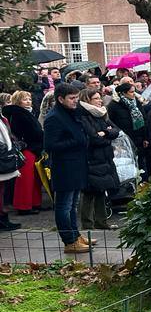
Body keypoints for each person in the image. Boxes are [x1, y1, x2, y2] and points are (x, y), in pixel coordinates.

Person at [43, 83, 91, 253]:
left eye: (77, 97)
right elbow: (50, 145)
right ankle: (69, 241)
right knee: (64, 206)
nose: (75, 101)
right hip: (64, 167)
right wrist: (76, 141)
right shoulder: (54, 117)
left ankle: (75, 234)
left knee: (73, 205)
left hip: (77, 164)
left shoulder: (72, 112)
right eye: (72, 98)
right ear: (60, 99)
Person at [77, 87, 121, 231]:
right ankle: (87, 225)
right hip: (91, 159)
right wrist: (105, 136)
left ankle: (101, 222)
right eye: (96, 98)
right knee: (89, 193)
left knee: (101, 191)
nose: (99, 101)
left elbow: (115, 130)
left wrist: (105, 133)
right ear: (87, 100)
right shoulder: (83, 116)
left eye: (99, 97)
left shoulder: (101, 114)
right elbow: (93, 138)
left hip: (104, 158)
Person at [2, 90, 43, 215]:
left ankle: (33, 203)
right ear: (18, 101)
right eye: (25, 99)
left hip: (31, 148)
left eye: (29, 99)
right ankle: (23, 206)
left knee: (34, 178)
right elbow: (30, 132)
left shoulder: (25, 113)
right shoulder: (19, 114)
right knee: (25, 179)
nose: (28, 101)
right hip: (26, 149)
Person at [107, 81, 151, 178]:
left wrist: (145, 137)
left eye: (134, 92)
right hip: (125, 139)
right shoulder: (114, 105)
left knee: (141, 161)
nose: (134, 94)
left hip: (139, 137)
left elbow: (144, 119)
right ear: (124, 93)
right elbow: (111, 122)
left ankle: (143, 181)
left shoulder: (136, 102)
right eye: (131, 92)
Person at [0, 113, 22, 232]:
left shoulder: (2, 117)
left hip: (4, 156)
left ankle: (3, 219)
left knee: (2, 190)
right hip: (2, 156)